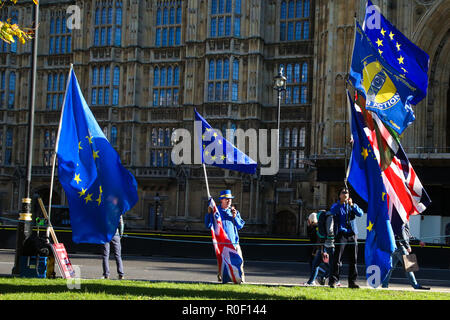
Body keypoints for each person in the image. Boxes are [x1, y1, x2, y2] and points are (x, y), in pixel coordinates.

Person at [205, 189, 245, 282]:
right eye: (227, 199)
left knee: (239, 261)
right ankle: (222, 278)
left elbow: (240, 226)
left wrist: (235, 217)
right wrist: (209, 214)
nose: (229, 201)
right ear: (221, 200)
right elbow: (208, 225)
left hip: (234, 242)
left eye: (230, 199)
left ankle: (240, 279)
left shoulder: (234, 211)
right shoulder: (216, 212)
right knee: (223, 263)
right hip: (222, 243)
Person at [329, 187, 364, 288]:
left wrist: (352, 205)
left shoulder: (352, 205)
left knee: (353, 259)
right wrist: (341, 203)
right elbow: (332, 211)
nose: (345, 194)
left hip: (352, 234)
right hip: (341, 235)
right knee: (337, 259)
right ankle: (334, 281)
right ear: (339, 195)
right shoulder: (337, 205)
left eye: (347, 193)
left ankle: (352, 282)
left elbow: (360, 214)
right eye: (343, 192)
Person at [381, 221, 429, 290]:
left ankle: (384, 285)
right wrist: (407, 246)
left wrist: (418, 241)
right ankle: (416, 286)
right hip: (401, 247)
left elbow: (408, 235)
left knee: (390, 267)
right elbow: (402, 235)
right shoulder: (403, 220)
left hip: (394, 246)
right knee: (410, 267)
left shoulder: (402, 220)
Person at [304, 210, 336, 286]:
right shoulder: (318, 227)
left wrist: (321, 250)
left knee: (329, 266)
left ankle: (323, 278)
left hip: (322, 248)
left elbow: (319, 239)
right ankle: (313, 280)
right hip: (321, 248)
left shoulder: (317, 228)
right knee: (317, 265)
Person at [102, 215, 124, 280]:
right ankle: (121, 274)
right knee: (118, 255)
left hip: (105, 233)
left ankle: (106, 275)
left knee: (105, 255)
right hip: (115, 233)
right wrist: (121, 234)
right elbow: (121, 223)